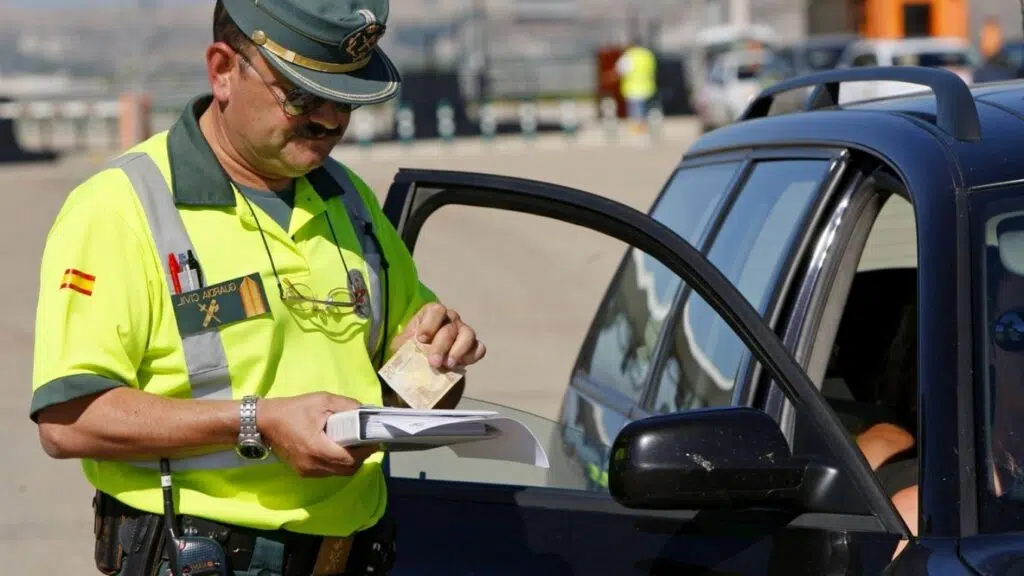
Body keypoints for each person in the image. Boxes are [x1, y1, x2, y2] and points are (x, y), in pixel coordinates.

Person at [29, 1, 486, 574]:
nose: (329, 121)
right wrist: (257, 421)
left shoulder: (348, 201)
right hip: (207, 558)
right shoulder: (121, 208)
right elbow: (68, 419)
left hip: (357, 555)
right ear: (223, 69)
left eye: (346, 100)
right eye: (301, 95)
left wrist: (439, 360)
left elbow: (410, 384)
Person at [613, 39, 658, 132]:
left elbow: (621, 70)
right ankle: (644, 124)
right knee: (644, 107)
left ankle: (638, 126)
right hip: (647, 86)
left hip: (633, 87)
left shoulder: (629, 56)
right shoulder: (647, 54)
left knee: (635, 108)